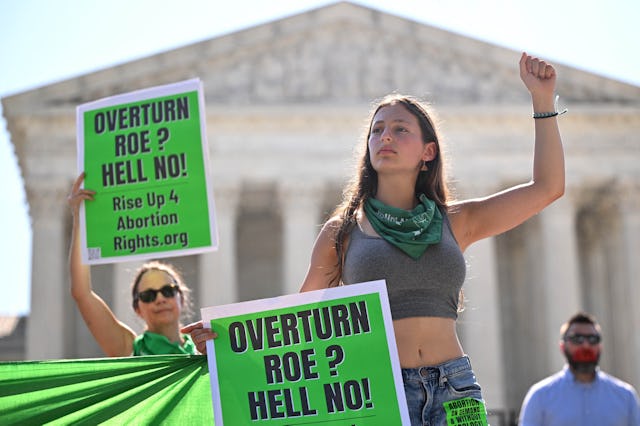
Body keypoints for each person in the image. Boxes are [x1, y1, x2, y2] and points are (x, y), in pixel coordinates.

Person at [184, 52, 566, 425]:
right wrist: (227, 343)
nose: (386, 137)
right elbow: (297, 320)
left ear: (428, 151)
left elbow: (547, 188)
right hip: (381, 391)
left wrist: (542, 99)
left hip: (456, 387)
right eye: (377, 130)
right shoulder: (343, 231)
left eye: (401, 129)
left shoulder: (457, 221)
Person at [68, 173, 198, 356]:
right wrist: (79, 219)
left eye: (168, 290)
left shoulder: (203, 348)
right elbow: (81, 293)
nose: (160, 299)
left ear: (181, 298)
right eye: (148, 295)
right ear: (138, 308)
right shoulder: (130, 348)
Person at [519, 312, 640, 425]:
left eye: (592, 339)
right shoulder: (540, 396)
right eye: (577, 339)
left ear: (600, 346)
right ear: (562, 346)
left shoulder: (625, 396)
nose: (586, 345)